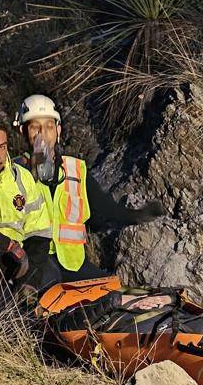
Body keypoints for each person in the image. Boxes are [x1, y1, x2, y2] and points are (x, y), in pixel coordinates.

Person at [13, 93, 165, 279]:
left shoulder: (75, 170)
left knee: (110, 291)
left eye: (49, 126)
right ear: (23, 131)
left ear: (58, 131)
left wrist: (142, 215)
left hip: (73, 265)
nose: (43, 134)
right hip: (34, 266)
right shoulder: (13, 173)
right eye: (35, 127)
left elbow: (108, 210)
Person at [0, 108, 57, 312]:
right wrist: (6, 246)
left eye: (2, 147)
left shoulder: (20, 177)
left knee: (50, 273)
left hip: (15, 267)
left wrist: (28, 282)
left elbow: (39, 235)